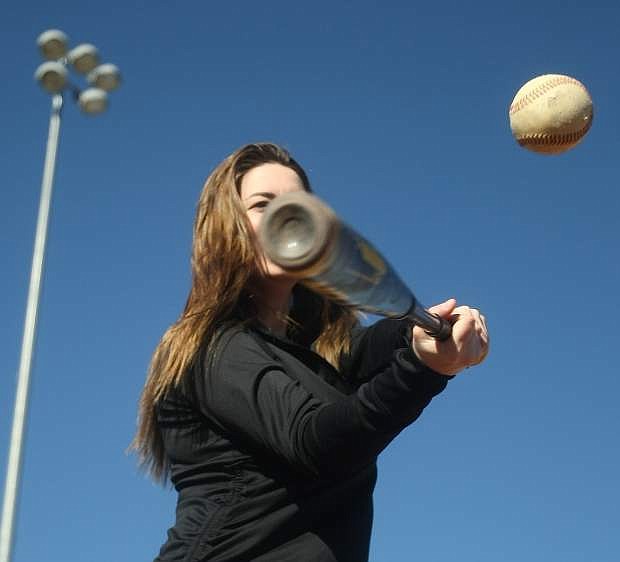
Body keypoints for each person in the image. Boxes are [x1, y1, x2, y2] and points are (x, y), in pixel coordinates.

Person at [131, 143, 489, 562]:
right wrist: (424, 368)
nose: (284, 218)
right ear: (226, 225)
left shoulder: (317, 355)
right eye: (262, 205)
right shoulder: (211, 347)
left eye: (296, 205)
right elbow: (317, 442)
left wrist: (430, 329)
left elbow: (364, 350)